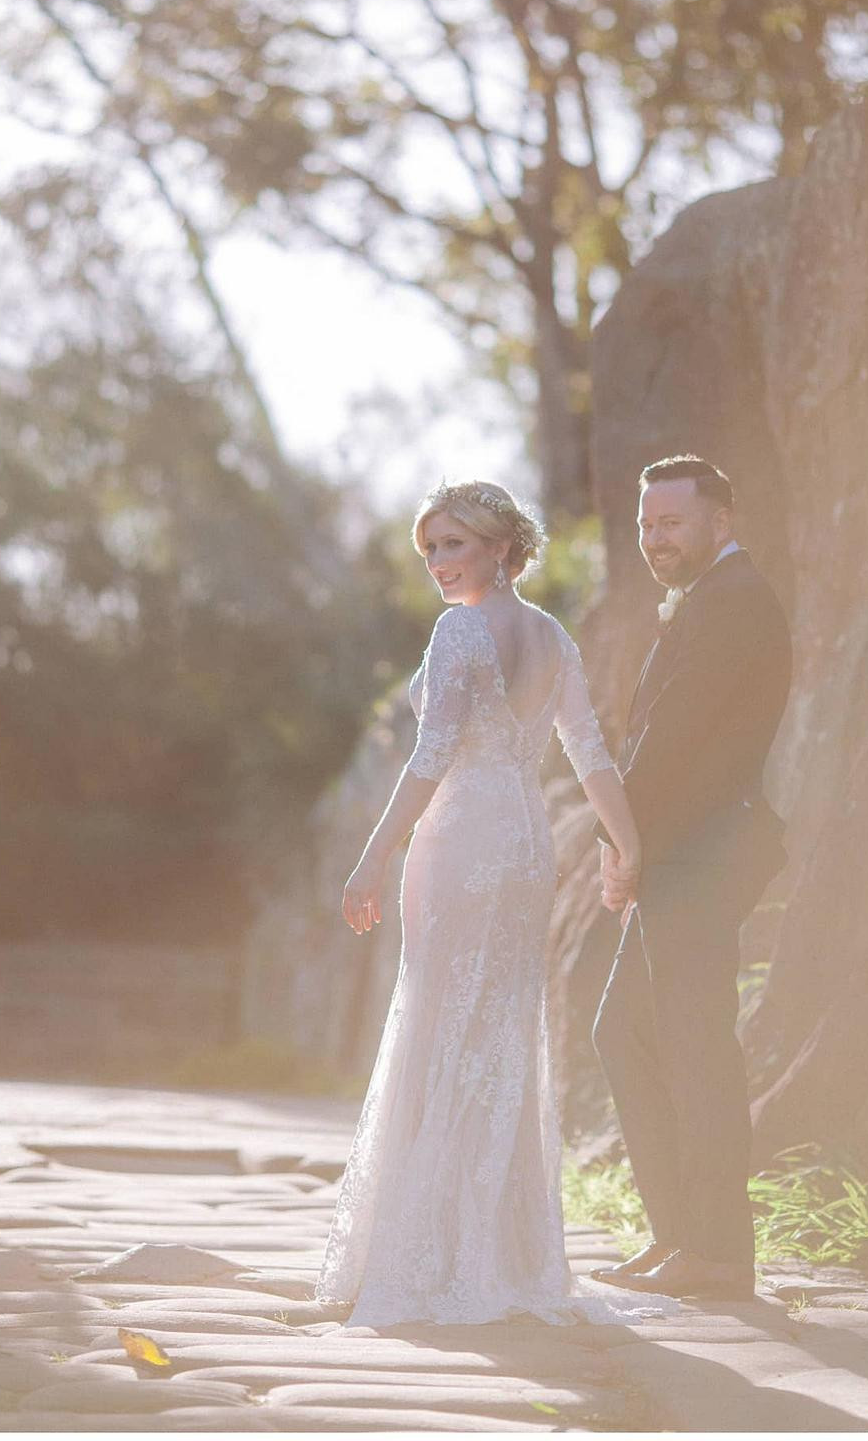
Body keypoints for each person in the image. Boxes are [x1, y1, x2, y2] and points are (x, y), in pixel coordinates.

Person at [314, 479, 676, 1329]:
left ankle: (430, 1255)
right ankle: (501, 1252)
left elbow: (431, 755)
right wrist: (628, 843)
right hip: (525, 851)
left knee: (442, 1024)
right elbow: (589, 751)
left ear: (502, 546)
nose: (441, 564)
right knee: (500, 1033)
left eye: (455, 545)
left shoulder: (460, 630)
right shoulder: (553, 637)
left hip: (460, 843)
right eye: (431, 549)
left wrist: (371, 858)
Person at [590, 455, 792, 1301]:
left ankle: (717, 1253)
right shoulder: (706, 602)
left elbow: (670, 741)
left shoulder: (735, 603)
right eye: (645, 524)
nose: (655, 539)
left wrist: (621, 840)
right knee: (625, 1033)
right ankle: (680, 1237)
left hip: (704, 851)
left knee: (695, 1044)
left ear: (722, 521)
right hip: (681, 850)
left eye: (671, 521)